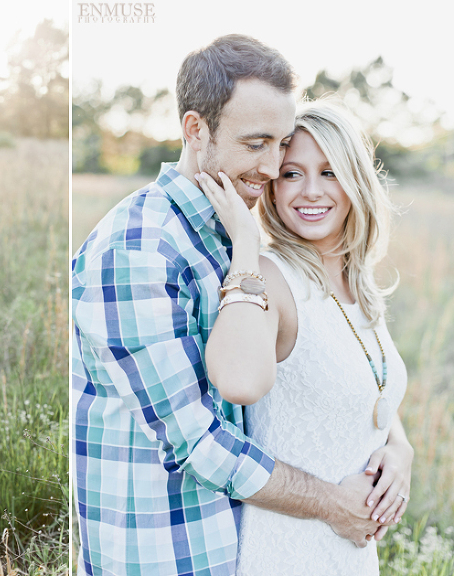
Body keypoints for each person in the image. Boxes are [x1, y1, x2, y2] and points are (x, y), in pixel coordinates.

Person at [71, 34, 410, 575]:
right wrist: (333, 504)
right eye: (257, 144)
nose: (274, 168)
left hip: (239, 546)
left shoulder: (228, 232)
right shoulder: (138, 250)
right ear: (195, 130)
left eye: (281, 145)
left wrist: (398, 446)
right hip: (163, 552)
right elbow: (197, 442)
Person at [200, 100, 411, 574]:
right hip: (286, 550)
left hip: (352, 554)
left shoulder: (357, 283)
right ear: (273, 189)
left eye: (329, 172)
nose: (310, 191)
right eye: (292, 173)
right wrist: (246, 247)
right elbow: (238, 382)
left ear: (356, 181)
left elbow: (366, 387)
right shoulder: (269, 276)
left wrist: (401, 447)